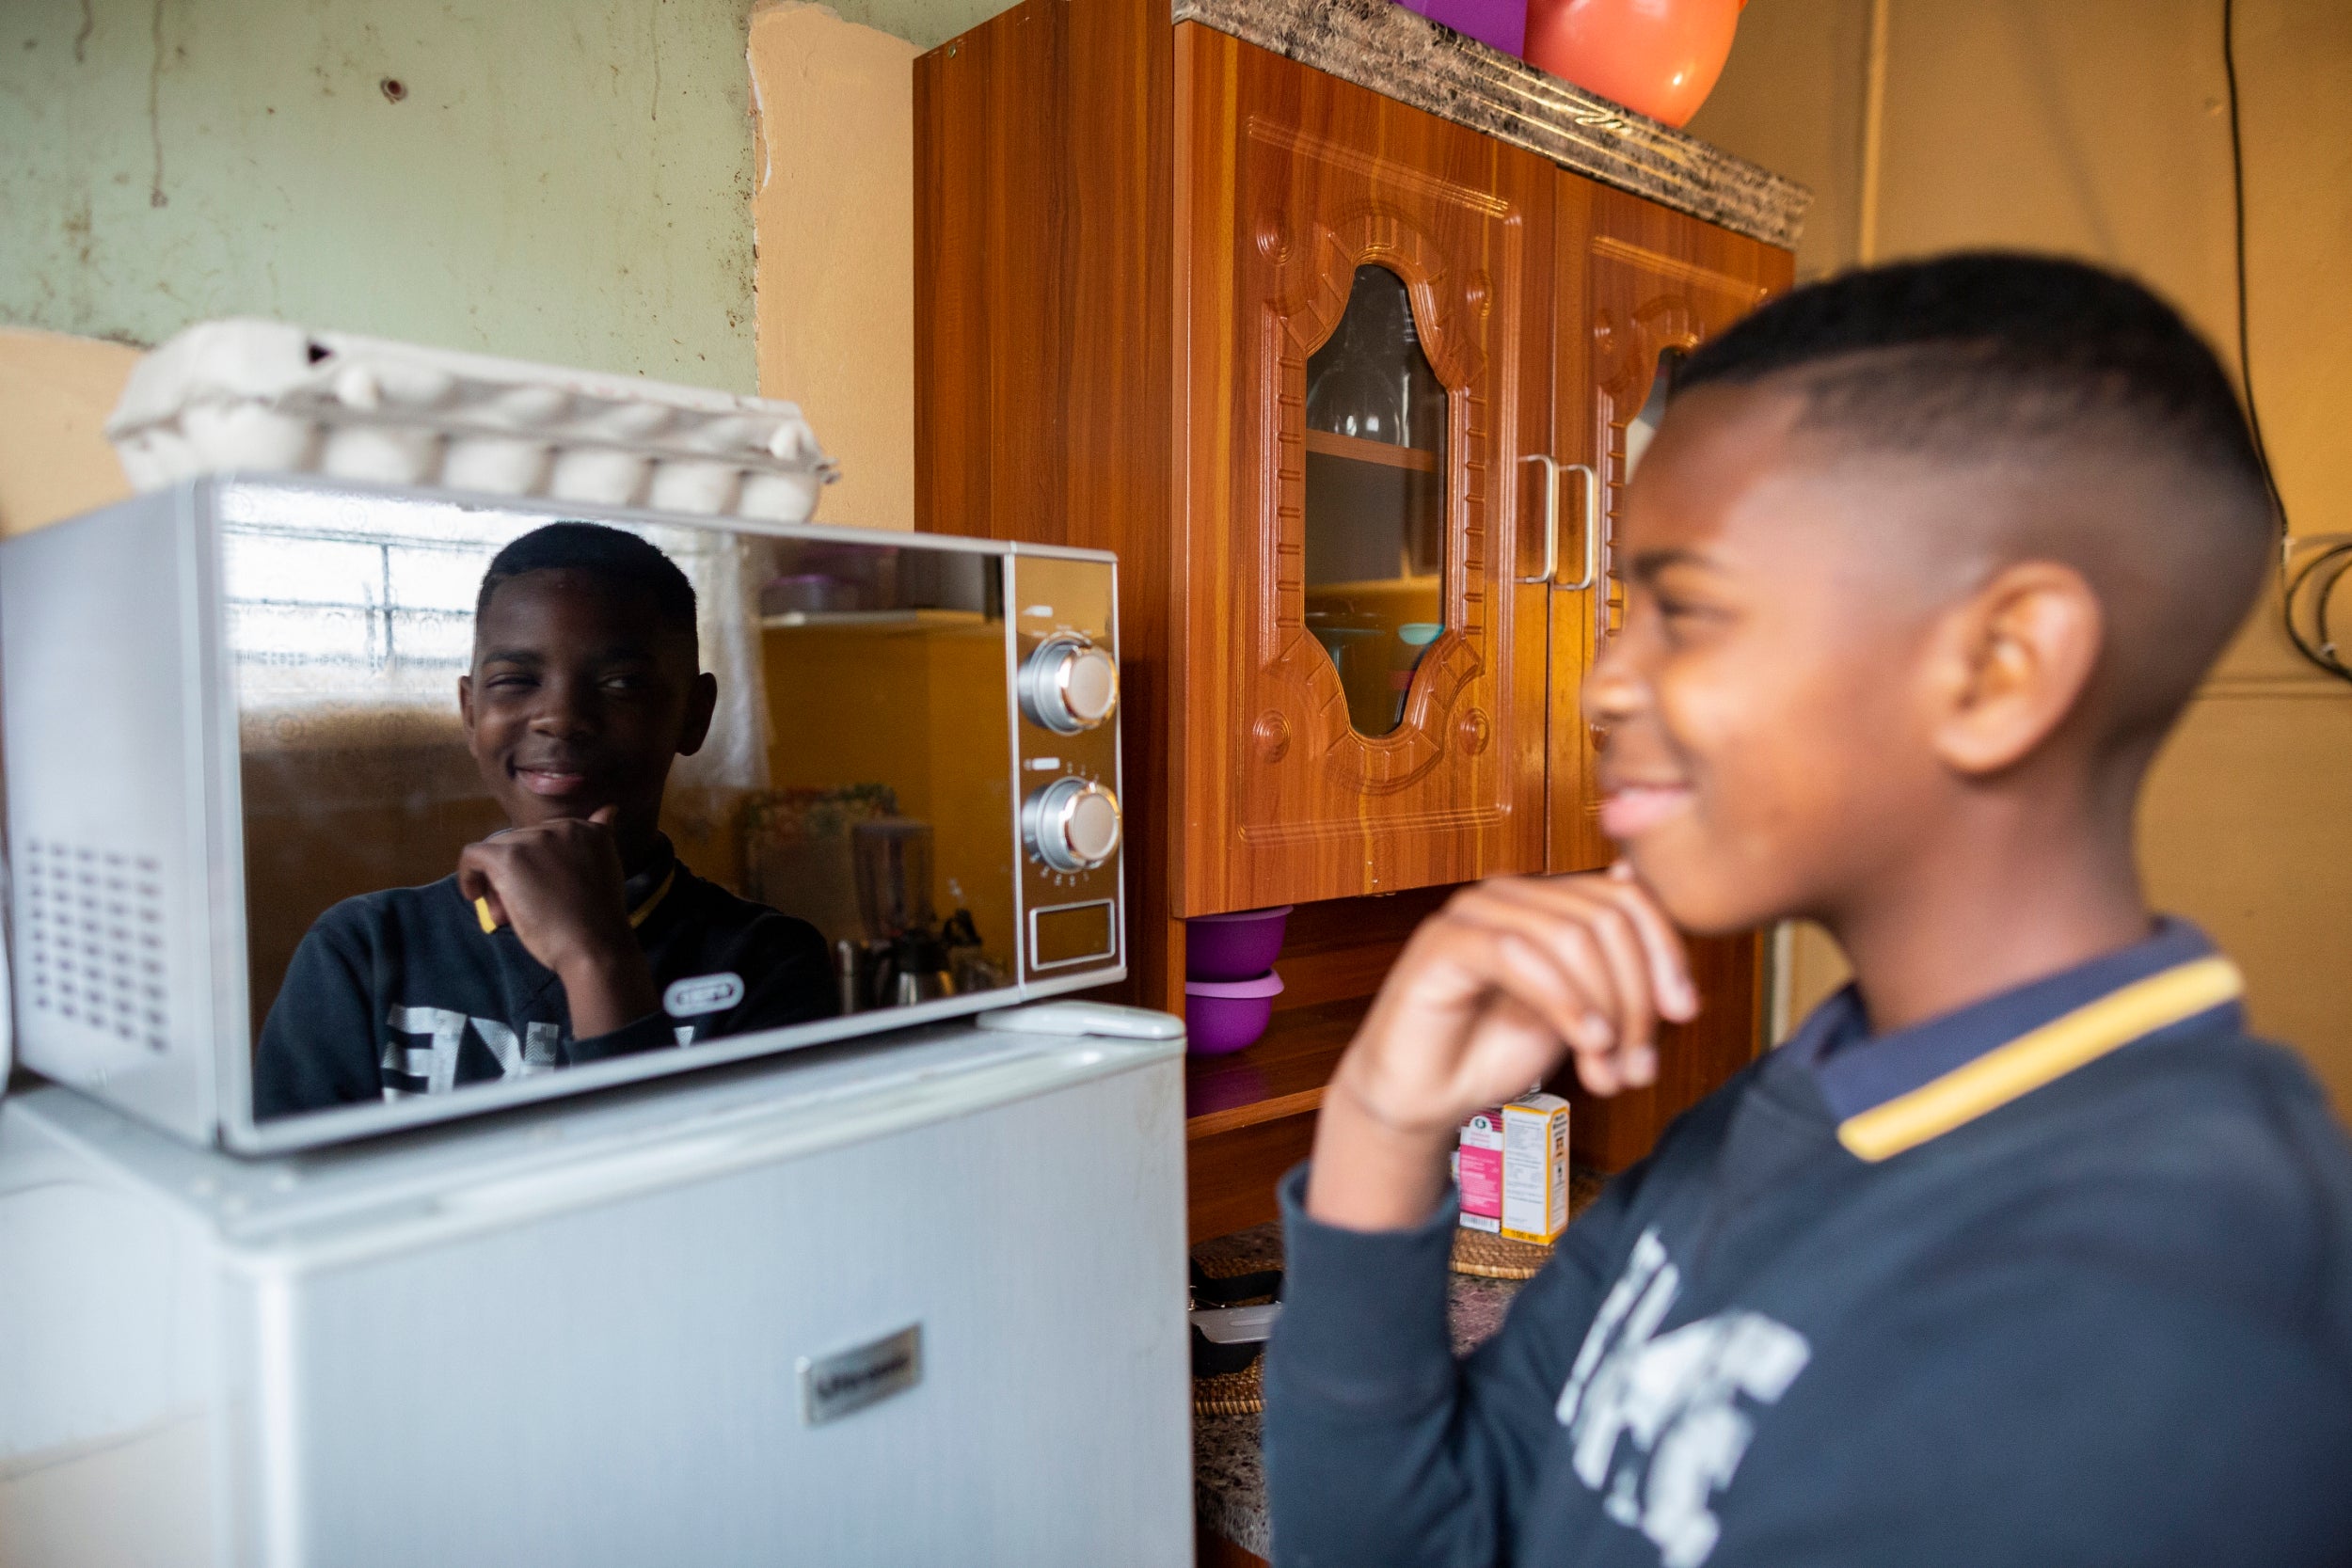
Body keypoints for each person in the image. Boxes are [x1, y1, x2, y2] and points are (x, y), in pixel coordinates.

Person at [1265, 254, 2352, 1565]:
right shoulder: (1795, 1105)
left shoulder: (2168, 1313)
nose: (1607, 685)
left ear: (2002, 667)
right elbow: (1430, 1534)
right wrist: (1381, 1123)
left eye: (1687, 610)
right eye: (1622, 610)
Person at [254, 522, 834, 1117]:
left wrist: (596, 956)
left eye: (621, 684)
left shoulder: (768, 962)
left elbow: (705, 1203)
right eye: (515, 682)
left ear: (694, 713)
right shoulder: (362, 950)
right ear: (470, 711)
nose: (560, 718)